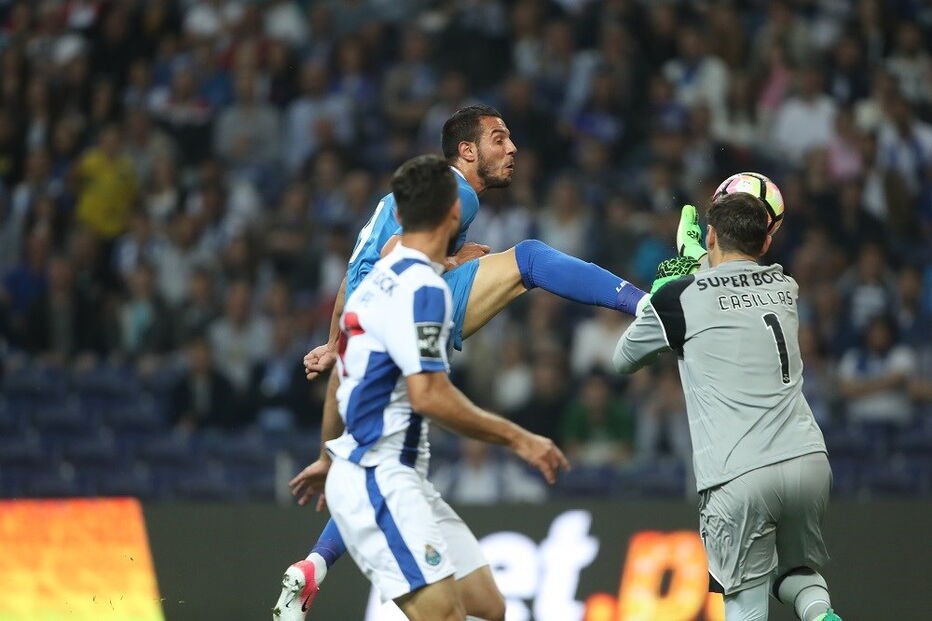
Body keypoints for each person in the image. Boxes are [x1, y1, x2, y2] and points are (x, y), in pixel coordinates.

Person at [277, 104, 648, 614]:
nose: (512, 148)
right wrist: (518, 437)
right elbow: (396, 256)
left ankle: (315, 565)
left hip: (365, 321)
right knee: (531, 259)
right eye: (499, 139)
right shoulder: (458, 193)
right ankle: (643, 304)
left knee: (378, 452)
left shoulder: (404, 201)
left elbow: (357, 271)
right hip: (402, 313)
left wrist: (336, 340)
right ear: (467, 152)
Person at [273, 155, 568, 621]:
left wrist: (328, 457)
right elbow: (428, 395)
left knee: (490, 608)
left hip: (402, 479)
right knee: (446, 616)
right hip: (380, 481)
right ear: (455, 214)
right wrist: (519, 438)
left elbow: (338, 378)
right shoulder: (423, 291)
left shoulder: (370, 284)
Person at [613, 194, 843, 621]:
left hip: (738, 474)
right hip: (808, 460)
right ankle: (820, 613)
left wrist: (662, 291)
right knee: (795, 570)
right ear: (766, 244)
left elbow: (624, 358)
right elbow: (732, 284)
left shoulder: (682, 297)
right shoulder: (784, 285)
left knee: (745, 603)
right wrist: (696, 263)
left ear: (713, 234)